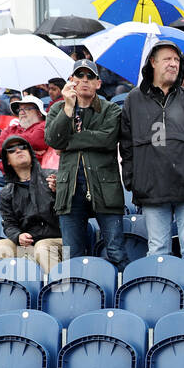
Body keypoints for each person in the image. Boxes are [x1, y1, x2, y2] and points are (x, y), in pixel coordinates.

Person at [119, 41, 184, 269]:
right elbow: (125, 145)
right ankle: (163, 302)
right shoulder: (133, 100)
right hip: (152, 188)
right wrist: (133, 179)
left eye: (177, 60)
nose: (173, 64)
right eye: (167, 59)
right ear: (153, 63)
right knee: (157, 253)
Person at [45, 58, 126, 268]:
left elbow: (107, 139)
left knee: (116, 252)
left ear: (98, 83)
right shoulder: (58, 109)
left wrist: (69, 141)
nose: (85, 80)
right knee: (73, 257)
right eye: (79, 75)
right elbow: (53, 140)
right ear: (71, 81)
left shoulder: (112, 110)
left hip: (105, 188)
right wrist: (68, 109)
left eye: (90, 76)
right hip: (69, 190)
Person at [0, 134, 64, 272]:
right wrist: (18, 236)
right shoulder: (7, 193)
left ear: (30, 155)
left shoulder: (54, 177)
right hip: (30, 245)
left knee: (43, 247)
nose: (18, 150)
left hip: (60, 241)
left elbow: (75, 208)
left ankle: (57, 289)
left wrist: (59, 191)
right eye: (11, 150)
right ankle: (9, 290)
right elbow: (9, 224)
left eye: (23, 147)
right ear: (8, 161)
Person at [0, 94, 49, 192]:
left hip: (33, 178)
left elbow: (36, 141)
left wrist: (8, 145)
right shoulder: (12, 128)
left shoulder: (44, 126)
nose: (21, 112)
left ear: (39, 113)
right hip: (10, 178)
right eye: (20, 110)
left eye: (26, 108)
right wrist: (25, 145)